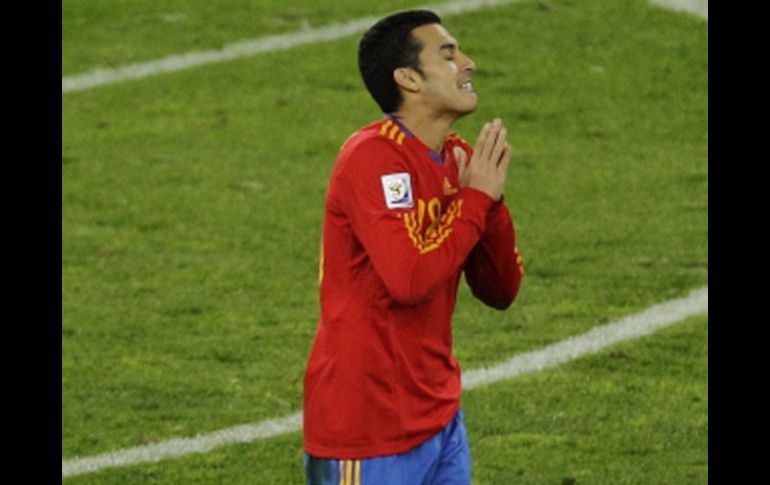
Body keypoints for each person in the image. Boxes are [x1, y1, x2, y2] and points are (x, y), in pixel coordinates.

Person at [303, 9, 524, 485]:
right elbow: (409, 280)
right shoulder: (372, 157)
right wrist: (475, 199)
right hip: (367, 429)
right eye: (448, 54)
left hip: (439, 417)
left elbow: (501, 289)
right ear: (408, 78)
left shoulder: (456, 161)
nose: (467, 63)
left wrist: (493, 204)